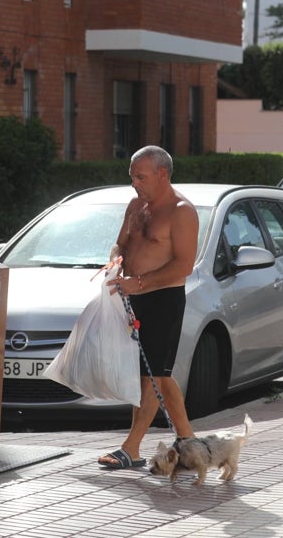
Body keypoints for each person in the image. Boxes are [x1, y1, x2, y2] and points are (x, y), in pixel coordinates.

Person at [97, 145, 199, 470]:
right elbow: (122, 243)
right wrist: (116, 260)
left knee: (152, 376)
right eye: (132, 177)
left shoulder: (182, 211)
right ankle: (188, 443)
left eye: (140, 177)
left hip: (163, 300)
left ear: (162, 174)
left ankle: (131, 447)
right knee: (158, 378)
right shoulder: (136, 205)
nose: (134, 183)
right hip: (132, 297)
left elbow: (184, 265)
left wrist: (139, 283)